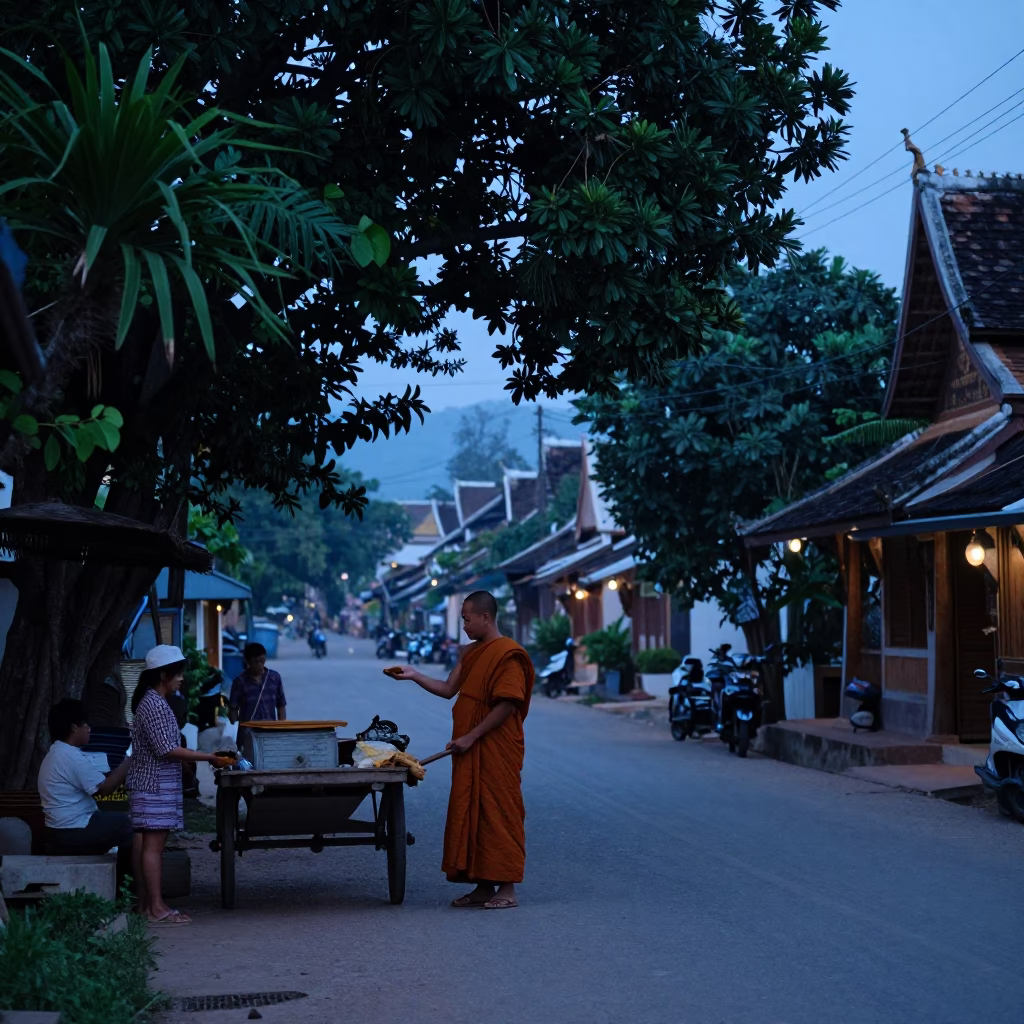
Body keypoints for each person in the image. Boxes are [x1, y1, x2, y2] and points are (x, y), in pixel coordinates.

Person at [391, 591, 534, 910]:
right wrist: (414, 675)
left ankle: (507, 887)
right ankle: (484, 885)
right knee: (472, 810)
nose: (464, 624)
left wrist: (472, 736)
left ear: (486, 617)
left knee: (499, 809)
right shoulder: (468, 654)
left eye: (467, 618)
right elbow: (447, 689)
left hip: (494, 744)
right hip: (468, 743)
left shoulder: (508, 654)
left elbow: (509, 703)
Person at [127, 645, 228, 925]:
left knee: (148, 847)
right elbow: (166, 749)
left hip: (152, 785)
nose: (182, 679)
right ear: (163, 675)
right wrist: (210, 756)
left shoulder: (151, 701)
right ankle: (156, 908)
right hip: (154, 786)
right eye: (178, 674)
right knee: (153, 848)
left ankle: (148, 907)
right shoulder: (155, 704)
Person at [38, 699, 134, 885]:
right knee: (125, 825)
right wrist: (131, 759)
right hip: (71, 831)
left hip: (59, 829)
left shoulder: (58, 753)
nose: (89, 729)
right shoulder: (69, 755)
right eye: (86, 724)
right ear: (74, 727)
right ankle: (124, 889)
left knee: (114, 821)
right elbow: (105, 789)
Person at [228, 642, 287, 754]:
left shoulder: (274, 678)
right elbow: (233, 711)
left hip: (270, 733)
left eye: (262, 660)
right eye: (256, 662)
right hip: (248, 735)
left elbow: (281, 705)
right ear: (248, 662)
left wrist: (281, 728)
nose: (260, 665)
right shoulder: (239, 682)